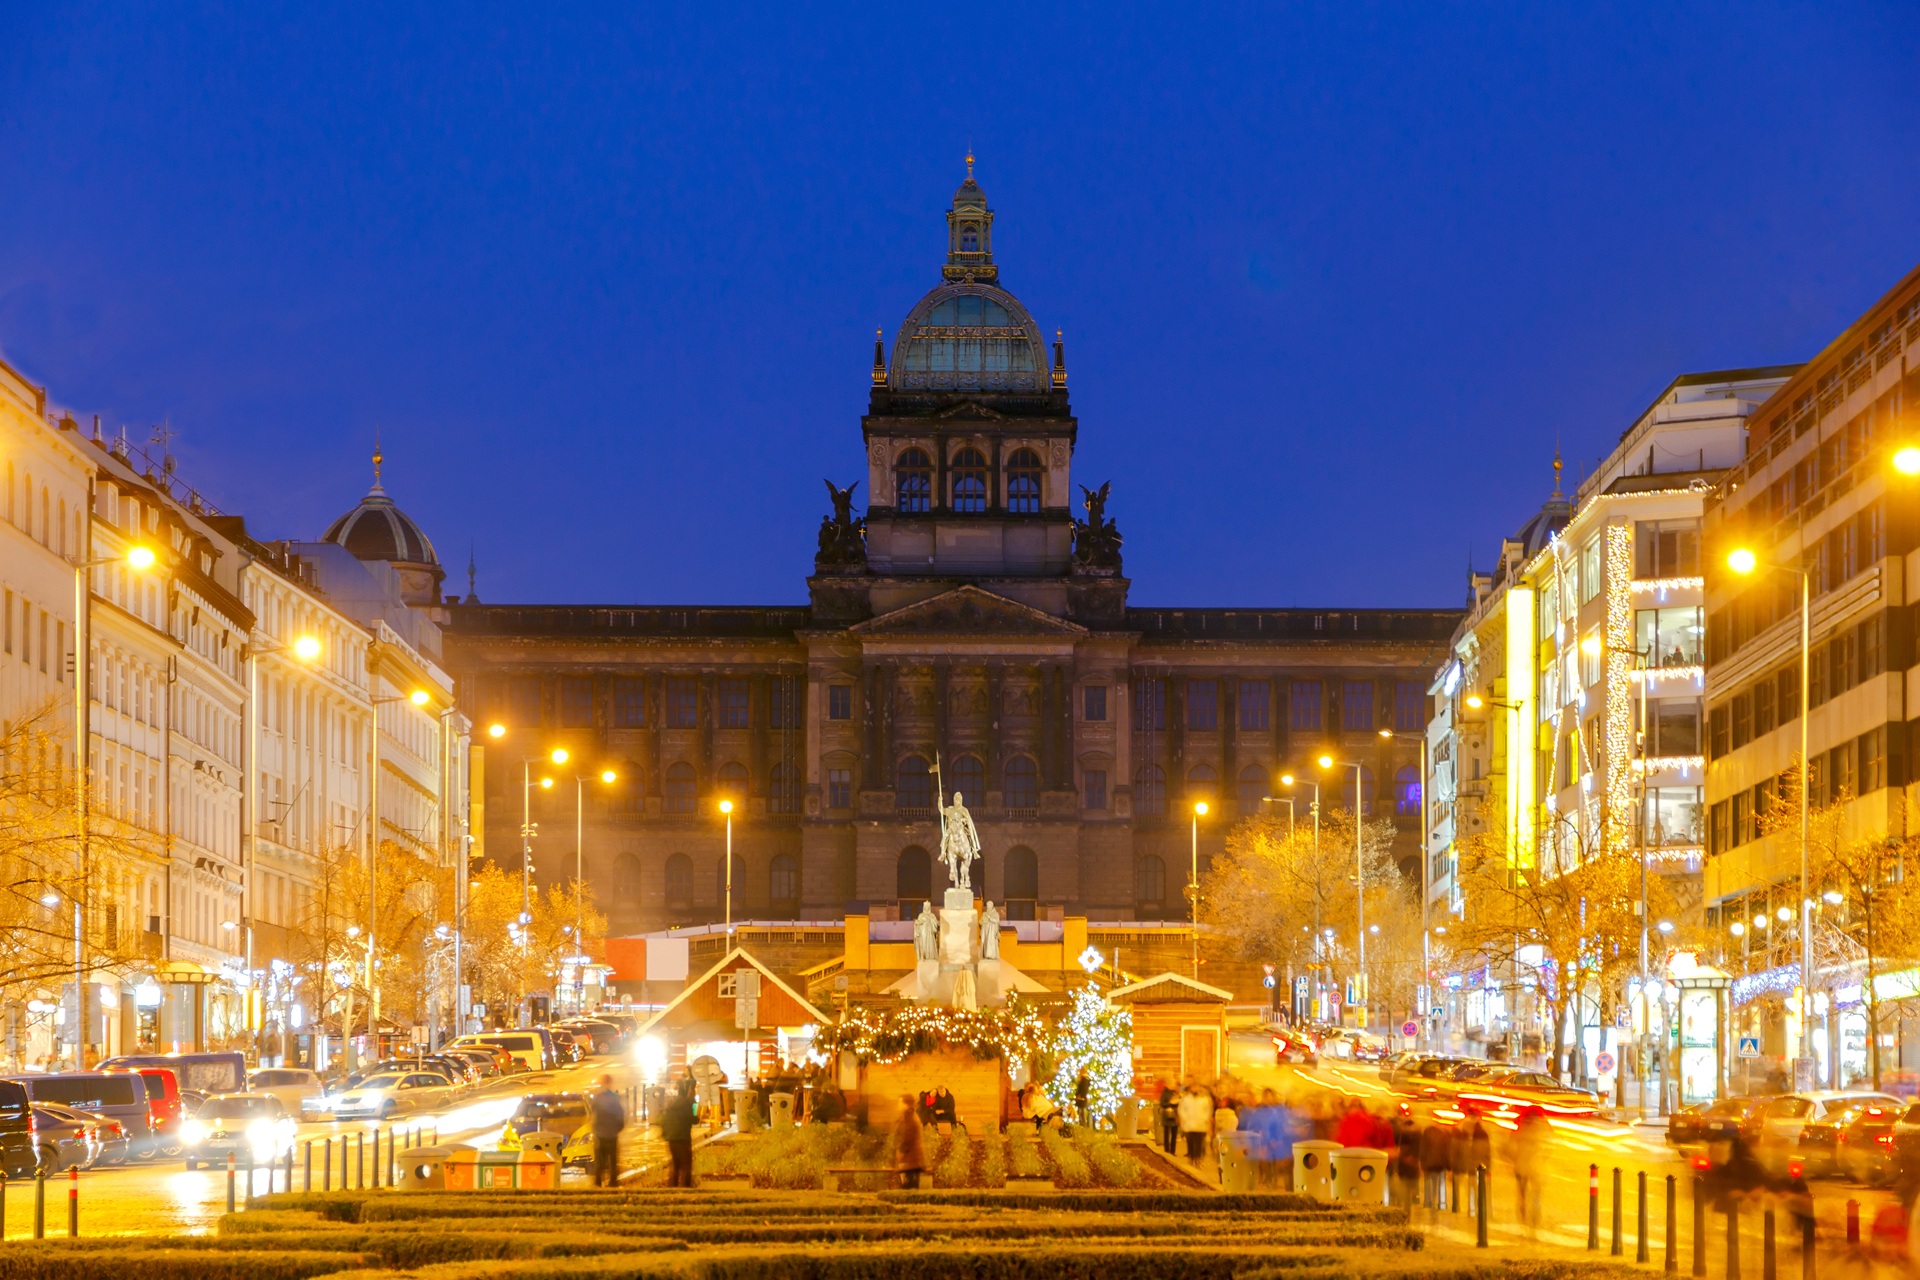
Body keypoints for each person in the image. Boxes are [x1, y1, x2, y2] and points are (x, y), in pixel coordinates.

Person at [587, 1073, 627, 1188]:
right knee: (613, 1160)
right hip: (611, 1135)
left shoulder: (597, 1098)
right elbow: (620, 1116)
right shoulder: (614, 1098)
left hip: (600, 1134)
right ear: (610, 1083)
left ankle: (598, 1182)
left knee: (600, 1160)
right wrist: (617, 1129)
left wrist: (595, 1128)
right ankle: (613, 1182)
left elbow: (592, 1115)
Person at [660, 1078, 698, 1188]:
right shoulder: (687, 1103)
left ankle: (672, 1188)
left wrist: (666, 1134)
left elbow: (664, 1120)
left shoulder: (671, 1103)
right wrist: (697, 1118)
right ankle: (686, 1189)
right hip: (683, 1139)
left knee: (675, 1165)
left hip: (671, 1139)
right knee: (686, 1165)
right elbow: (692, 1119)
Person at [893, 1093, 927, 1189]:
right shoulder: (909, 1116)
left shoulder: (909, 1117)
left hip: (911, 1161)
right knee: (910, 1189)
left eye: (900, 1103)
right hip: (912, 1161)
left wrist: (901, 1152)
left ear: (906, 1104)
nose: (898, 1105)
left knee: (908, 1190)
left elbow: (908, 1136)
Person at [1176, 1084, 1213, 1161]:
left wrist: (1204, 1118)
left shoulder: (1204, 1099)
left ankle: (1198, 1158)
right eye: (1193, 1087)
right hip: (1189, 1124)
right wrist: (1185, 1118)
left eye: (1197, 1087)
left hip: (1200, 1124)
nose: (1195, 1088)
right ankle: (1192, 1157)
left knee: (1199, 1142)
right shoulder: (1186, 1099)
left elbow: (1207, 1110)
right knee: (1191, 1142)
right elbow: (1181, 1109)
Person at [1157, 1079, 1180, 1155]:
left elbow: (1179, 1102)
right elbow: (1162, 1103)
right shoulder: (1164, 1093)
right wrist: (1170, 1103)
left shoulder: (1175, 1093)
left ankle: (1173, 1151)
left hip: (1174, 1115)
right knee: (1166, 1134)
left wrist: (1177, 1102)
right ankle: (1167, 1150)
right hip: (1167, 1116)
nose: (1174, 1085)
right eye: (1172, 1084)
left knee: (1174, 1135)